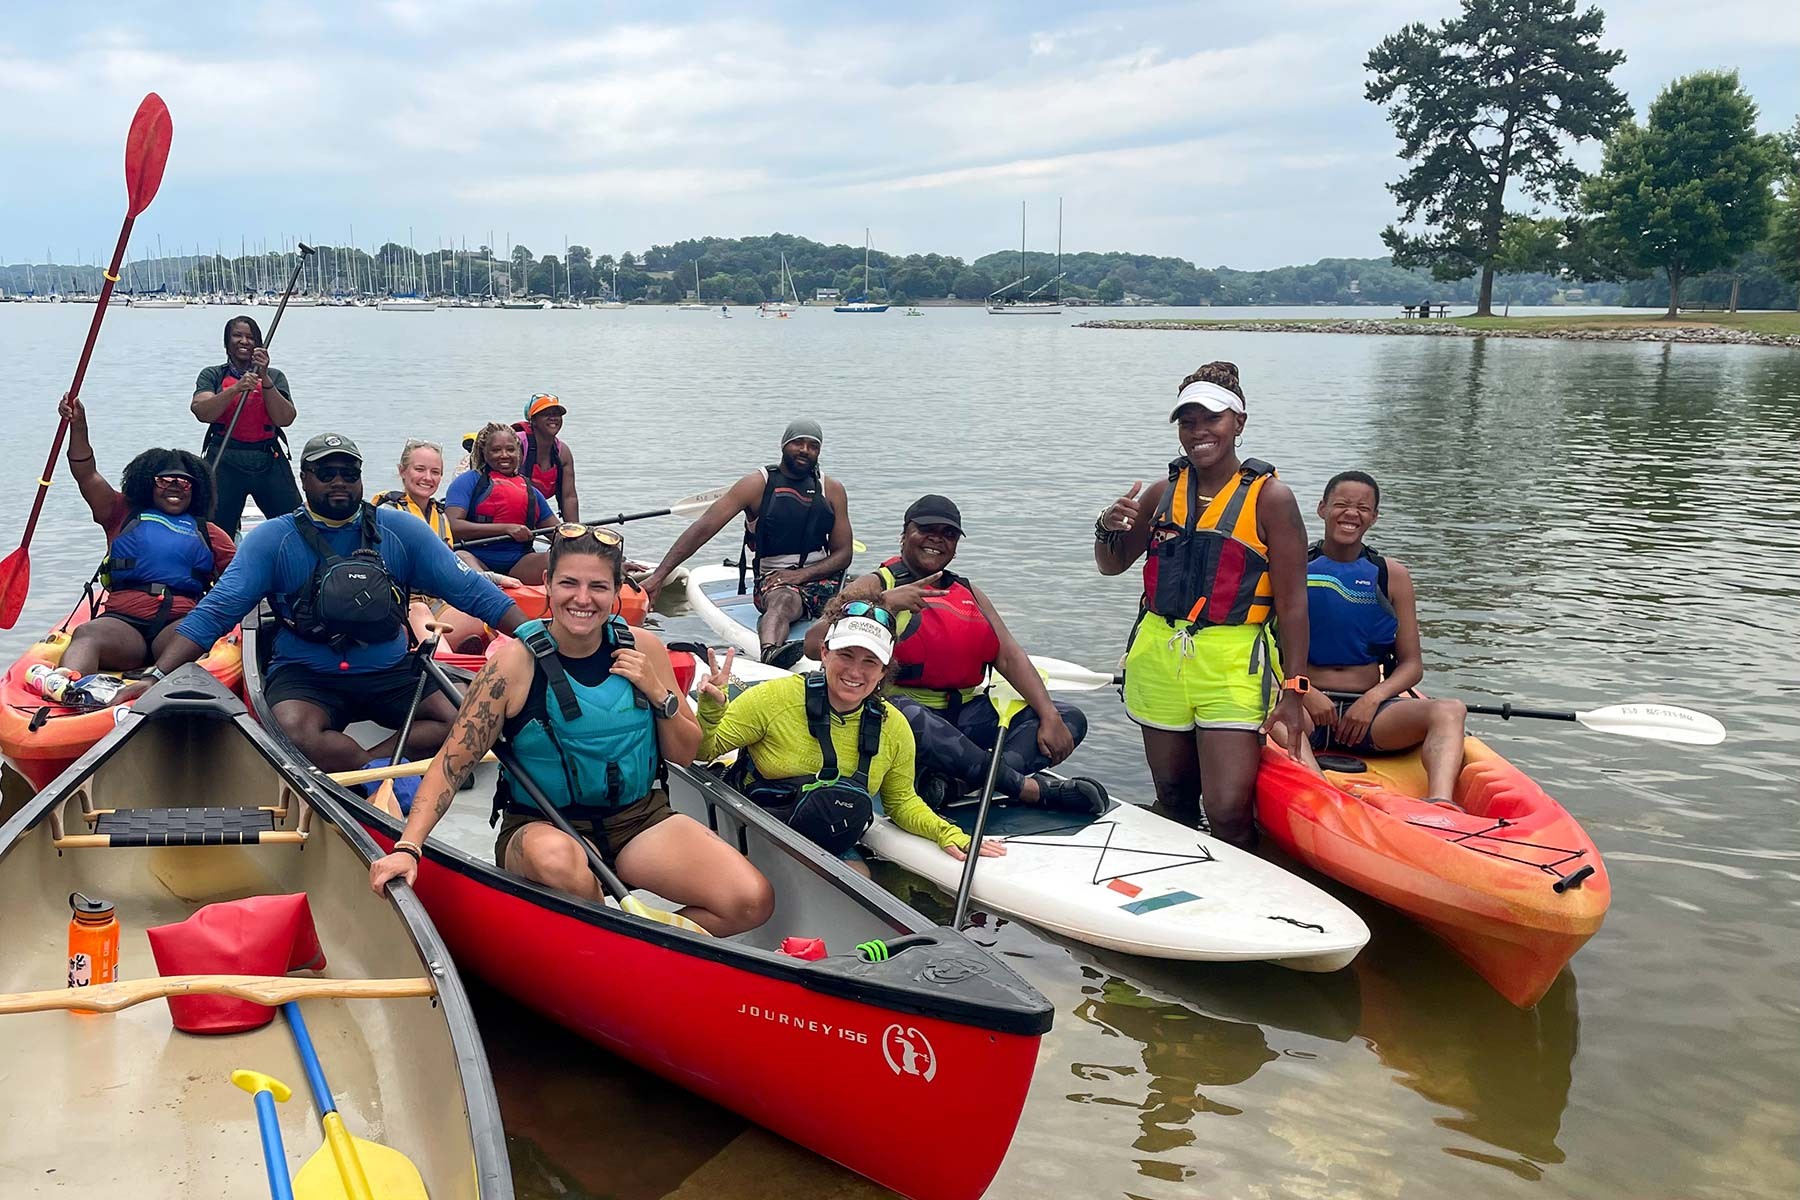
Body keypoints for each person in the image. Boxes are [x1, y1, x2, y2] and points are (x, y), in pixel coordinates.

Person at [367, 525, 773, 936]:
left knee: (750, 900)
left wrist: (657, 692)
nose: (582, 599)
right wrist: (408, 847)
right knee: (558, 859)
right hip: (543, 828)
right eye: (568, 583)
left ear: (617, 590)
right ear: (547, 584)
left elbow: (685, 754)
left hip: (638, 820)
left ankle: (634, 949)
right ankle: (612, 938)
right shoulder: (512, 665)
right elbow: (451, 766)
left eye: (598, 586)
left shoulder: (645, 649)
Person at [116, 433, 527, 775]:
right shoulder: (272, 539)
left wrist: (535, 637)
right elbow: (217, 610)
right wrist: (156, 676)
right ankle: (371, 768)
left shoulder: (399, 530)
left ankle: (371, 765)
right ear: (304, 478)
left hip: (389, 669)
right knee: (294, 733)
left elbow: (471, 590)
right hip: (307, 673)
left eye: (348, 474)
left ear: (361, 479)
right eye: (325, 473)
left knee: (476, 717)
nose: (338, 482)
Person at [1093, 361, 1313, 846]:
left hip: (1233, 661)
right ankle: (1178, 888)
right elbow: (1111, 565)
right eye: (1187, 422)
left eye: (1211, 419)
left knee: (1228, 807)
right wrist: (1108, 526)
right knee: (1172, 795)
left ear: (1238, 422)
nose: (1198, 432)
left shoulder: (1272, 498)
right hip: (1159, 656)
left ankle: (1242, 896)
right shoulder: (1160, 493)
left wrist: (1294, 694)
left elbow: (1294, 605)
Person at [802, 494, 1105, 815]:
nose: (937, 539)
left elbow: (1009, 657)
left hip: (962, 719)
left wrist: (1048, 715)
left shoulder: (967, 591)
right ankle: (1029, 789)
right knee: (904, 712)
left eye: (948, 534)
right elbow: (813, 643)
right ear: (905, 534)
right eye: (926, 529)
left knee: (1069, 717)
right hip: (898, 718)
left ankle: (954, 785)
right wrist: (886, 602)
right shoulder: (876, 584)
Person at [695, 599, 1004, 873]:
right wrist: (711, 711)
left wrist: (947, 832)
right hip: (755, 824)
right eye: (846, 655)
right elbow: (703, 751)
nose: (856, 672)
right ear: (825, 653)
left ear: (884, 670)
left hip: (826, 835)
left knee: (861, 876)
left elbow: (901, 802)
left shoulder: (893, 727)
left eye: (870, 661)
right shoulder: (774, 699)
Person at [1269, 471, 1468, 802]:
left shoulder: (1392, 575)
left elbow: (1412, 666)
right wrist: (1305, 690)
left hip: (1371, 717)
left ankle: (1440, 804)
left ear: (1374, 517)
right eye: (1342, 504)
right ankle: (1321, 792)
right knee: (1260, 707)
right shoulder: (1288, 567)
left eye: (1363, 507)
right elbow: (1259, 646)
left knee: (1451, 710)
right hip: (1303, 706)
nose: (1351, 513)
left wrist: (1372, 699)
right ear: (1322, 509)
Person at [44, 394, 235, 685]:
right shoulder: (120, 513)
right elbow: (85, 473)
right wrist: (78, 426)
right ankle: (68, 686)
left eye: (183, 482)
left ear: (195, 490)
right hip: (123, 627)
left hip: (176, 627)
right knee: (87, 634)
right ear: (149, 484)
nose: (175, 488)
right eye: (164, 480)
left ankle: (162, 683)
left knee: (198, 632)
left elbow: (242, 579)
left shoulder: (209, 533)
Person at [640, 419, 853, 665]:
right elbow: (703, 528)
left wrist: (802, 575)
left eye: (813, 446)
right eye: (798, 443)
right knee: (783, 601)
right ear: (784, 445)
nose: (805, 450)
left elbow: (844, 554)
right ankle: (772, 653)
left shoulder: (832, 489)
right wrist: (659, 576)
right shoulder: (757, 485)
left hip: (824, 580)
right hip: (776, 581)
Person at [373, 437, 520, 653]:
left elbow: (452, 573)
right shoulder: (387, 514)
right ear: (402, 471)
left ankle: (479, 653)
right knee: (420, 610)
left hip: (437, 602)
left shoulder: (441, 516)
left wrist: (496, 578)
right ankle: (444, 663)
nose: (427, 478)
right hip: (404, 607)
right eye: (419, 469)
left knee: (485, 614)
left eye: (435, 472)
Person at [191, 314, 300, 538]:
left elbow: (285, 419)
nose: (244, 341)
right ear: (227, 343)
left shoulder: (275, 377)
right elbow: (202, 412)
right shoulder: (213, 375)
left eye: (250, 337)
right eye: (237, 336)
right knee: (214, 529)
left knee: (296, 523)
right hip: (225, 456)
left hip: (267, 457)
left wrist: (265, 380)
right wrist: (235, 389)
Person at [445, 423, 556, 586]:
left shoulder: (531, 491)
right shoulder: (468, 481)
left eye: (510, 450)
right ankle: (488, 587)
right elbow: (452, 526)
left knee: (561, 557)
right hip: (476, 558)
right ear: (484, 452)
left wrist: (587, 536)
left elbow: (557, 533)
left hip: (519, 565)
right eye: (496, 450)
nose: (504, 455)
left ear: (519, 452)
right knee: (461, 557)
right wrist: (506, 529)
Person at [517, 393, 579, 519]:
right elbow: (504, 490)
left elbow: (569, 497)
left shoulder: (563, 453)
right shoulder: (517, 444)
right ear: (533, 420)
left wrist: (575, 532)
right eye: (546, 414)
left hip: (536, 511)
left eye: (557, 414)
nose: (553, 418)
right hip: (509, 508)